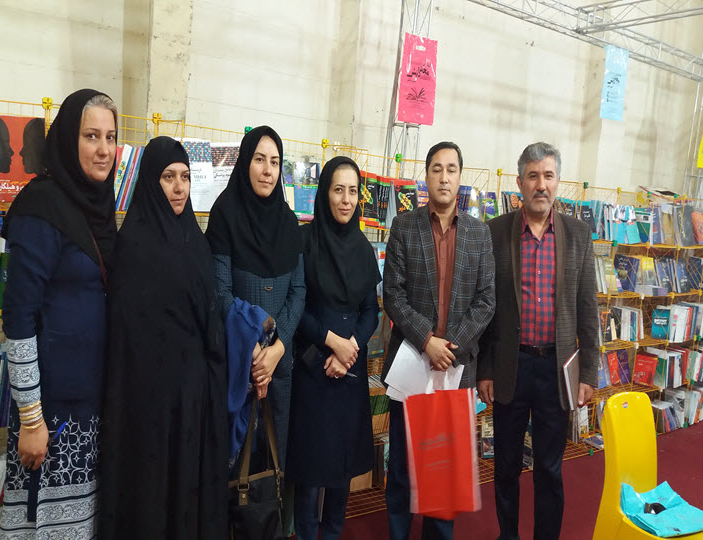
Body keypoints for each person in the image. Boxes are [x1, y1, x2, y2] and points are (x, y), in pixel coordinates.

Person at [0, 89, 118, 539]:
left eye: (110, 137)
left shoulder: (99, 205)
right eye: (91, 136)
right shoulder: (41, 207)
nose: (104, 149)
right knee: (47, 525)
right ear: (69, 139)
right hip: (49, 414)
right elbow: (18, 319)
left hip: (91, 406)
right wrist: (31, 419)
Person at [99, 136, 227, 538]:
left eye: (185, 177)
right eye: (168, 177)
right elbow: (125, 334)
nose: (179, 187)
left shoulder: (196, 242)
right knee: (151, 497)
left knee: (185, 495)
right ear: (151, 181)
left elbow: (209, 316)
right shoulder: (132, 245)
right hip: (146, 402)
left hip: (191, 399)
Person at [477, 142, 599, 540]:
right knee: (506, 466)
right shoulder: (495, 232)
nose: (541, 185)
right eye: (533, 176)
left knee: (549, 468)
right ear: (519, 183)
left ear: (558, 182)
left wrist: (589, 374)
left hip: (556, 369)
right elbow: (486, 308)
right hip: (511, 367)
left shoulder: (578, 235)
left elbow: (588, 308)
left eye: (548, 176)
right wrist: (485, 369)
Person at [382, 141, 496, 540]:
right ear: (426, 175)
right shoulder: (404, 227)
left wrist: (450, 347)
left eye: (451, 169)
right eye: (436, 169)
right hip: (411, 363)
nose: (444, 177)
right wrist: (427, 340)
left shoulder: (479, 234)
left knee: (443, 473)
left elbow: (486, 300)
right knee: (402, 467)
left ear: (460, 177)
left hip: (456, 370)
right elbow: (392, 295)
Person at [287, 156, 381, 540]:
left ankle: (332, 533)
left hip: (349, 371)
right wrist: (332, 343)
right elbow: (297, 306)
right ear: (324, 192)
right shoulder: (303, 241)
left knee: (342, 470)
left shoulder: (363, 248)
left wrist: (350, 349)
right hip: (312, 366)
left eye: (353, 191)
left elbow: (371, 311)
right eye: (338, 190)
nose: (346, 200)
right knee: (310, 472)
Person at [206, 125, 305, 472]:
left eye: (275, 162)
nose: (267, 170)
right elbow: (220, 291)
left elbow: (298, 291)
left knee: (272, 461)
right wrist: (253, 352)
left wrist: (275, 350)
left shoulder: (289, 222)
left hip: (279, 363)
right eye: (259, 160)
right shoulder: (224, 214)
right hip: (238, 360)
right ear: (245, 162)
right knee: (231, 467)